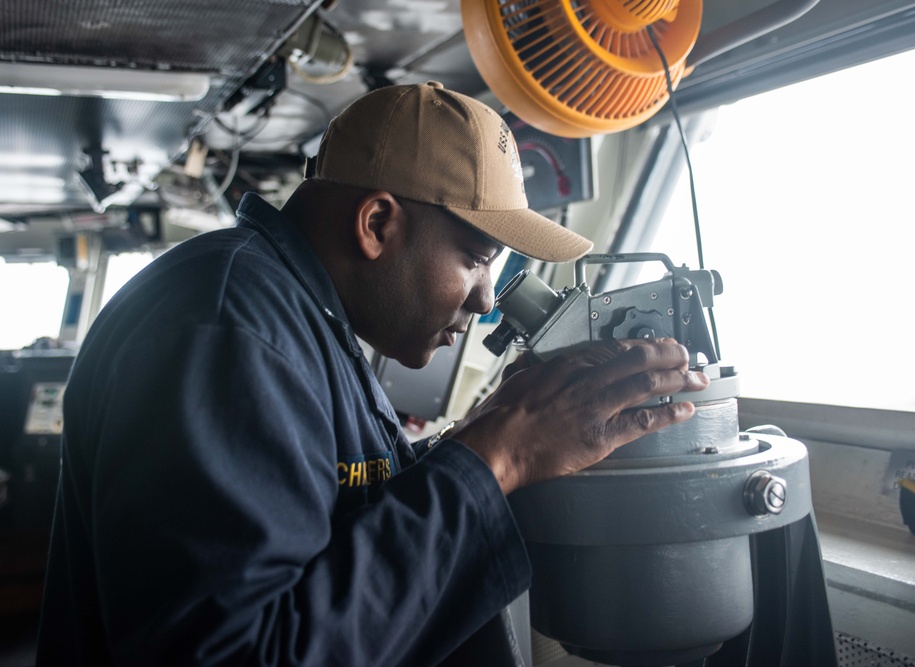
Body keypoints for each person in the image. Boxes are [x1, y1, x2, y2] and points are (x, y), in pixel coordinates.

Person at [36, 81, 708, 666]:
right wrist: (493, 457)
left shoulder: (289, 310)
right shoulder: (225, 330)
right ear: (377, 222)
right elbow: (240, 652)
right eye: (476, 257)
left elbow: (334, 499)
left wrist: (485, 434)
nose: (484, 299)